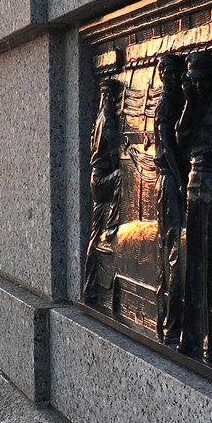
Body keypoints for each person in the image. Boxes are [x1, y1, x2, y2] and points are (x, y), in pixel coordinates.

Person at [175, 51, 212, 359]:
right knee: (193, 261)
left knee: (206, 261)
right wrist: (189, 102)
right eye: (192, 83)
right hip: (197, 184)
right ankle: (191, 333)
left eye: (200, 82)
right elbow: (181, 139)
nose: (195, 88)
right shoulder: (194, 108)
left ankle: (207, 336)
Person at [154, 54, 188, 344]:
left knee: (174, 253)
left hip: (172, 181)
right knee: (175, 253)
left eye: (180, 73)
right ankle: (169, 324)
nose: (176, 78)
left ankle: (168, 321)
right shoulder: (167, 104)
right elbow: (168, 148)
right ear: (162, 75)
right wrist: (182, 182)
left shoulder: (178, 101)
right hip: (170, 183)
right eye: (171, 73)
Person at [82, 79, 125, 302]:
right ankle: (113, 225)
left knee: (93, 233)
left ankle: (89, 287)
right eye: (115, 98)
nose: (116, 102)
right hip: (103, 178)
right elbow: (114, 154)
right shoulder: (108, 119)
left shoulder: (98, 117)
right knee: (123, 176)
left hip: (95, 177)